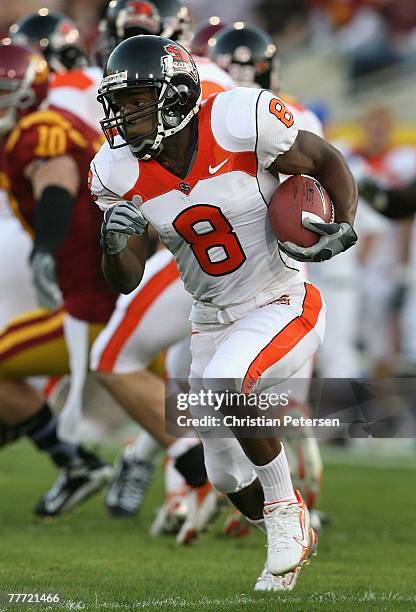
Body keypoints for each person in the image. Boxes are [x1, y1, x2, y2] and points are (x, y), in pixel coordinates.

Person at [89, 34, 357, 587]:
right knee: (225, 475)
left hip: (282, 299)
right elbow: (126, 279)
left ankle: (288, 511)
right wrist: (113, 245)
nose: (125, 118)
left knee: (224, 383)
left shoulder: (238, 118)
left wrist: (344, 223)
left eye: (138, 101)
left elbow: (325, 159)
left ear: (177, 95)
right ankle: (285, 553)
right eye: (120, 104)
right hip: (210, 316)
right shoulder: (118, 172)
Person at [89, 0, 235, 529]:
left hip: (211, 250)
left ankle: (190, 468)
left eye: (144, 34)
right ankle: (183, 481)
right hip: (215, 249)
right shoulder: (124, 127)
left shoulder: (217, 94)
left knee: (118, 360)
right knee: (186, 378)